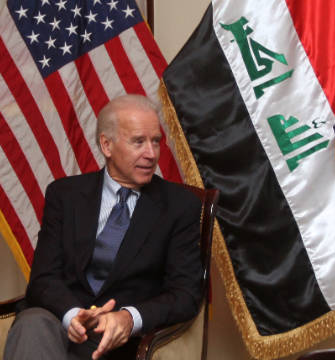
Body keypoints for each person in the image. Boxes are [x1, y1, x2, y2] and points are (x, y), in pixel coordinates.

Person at [4, 94, 203, 360]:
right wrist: (73, 316)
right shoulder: (65, 195)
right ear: (106, 145)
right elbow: (43, 279)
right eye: (138, 142)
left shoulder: (180, 206)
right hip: (59, 323)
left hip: (118, 342)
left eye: (156, 141)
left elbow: (185, 294)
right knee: (32, 323)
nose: (151, 153)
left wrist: (128, 318)